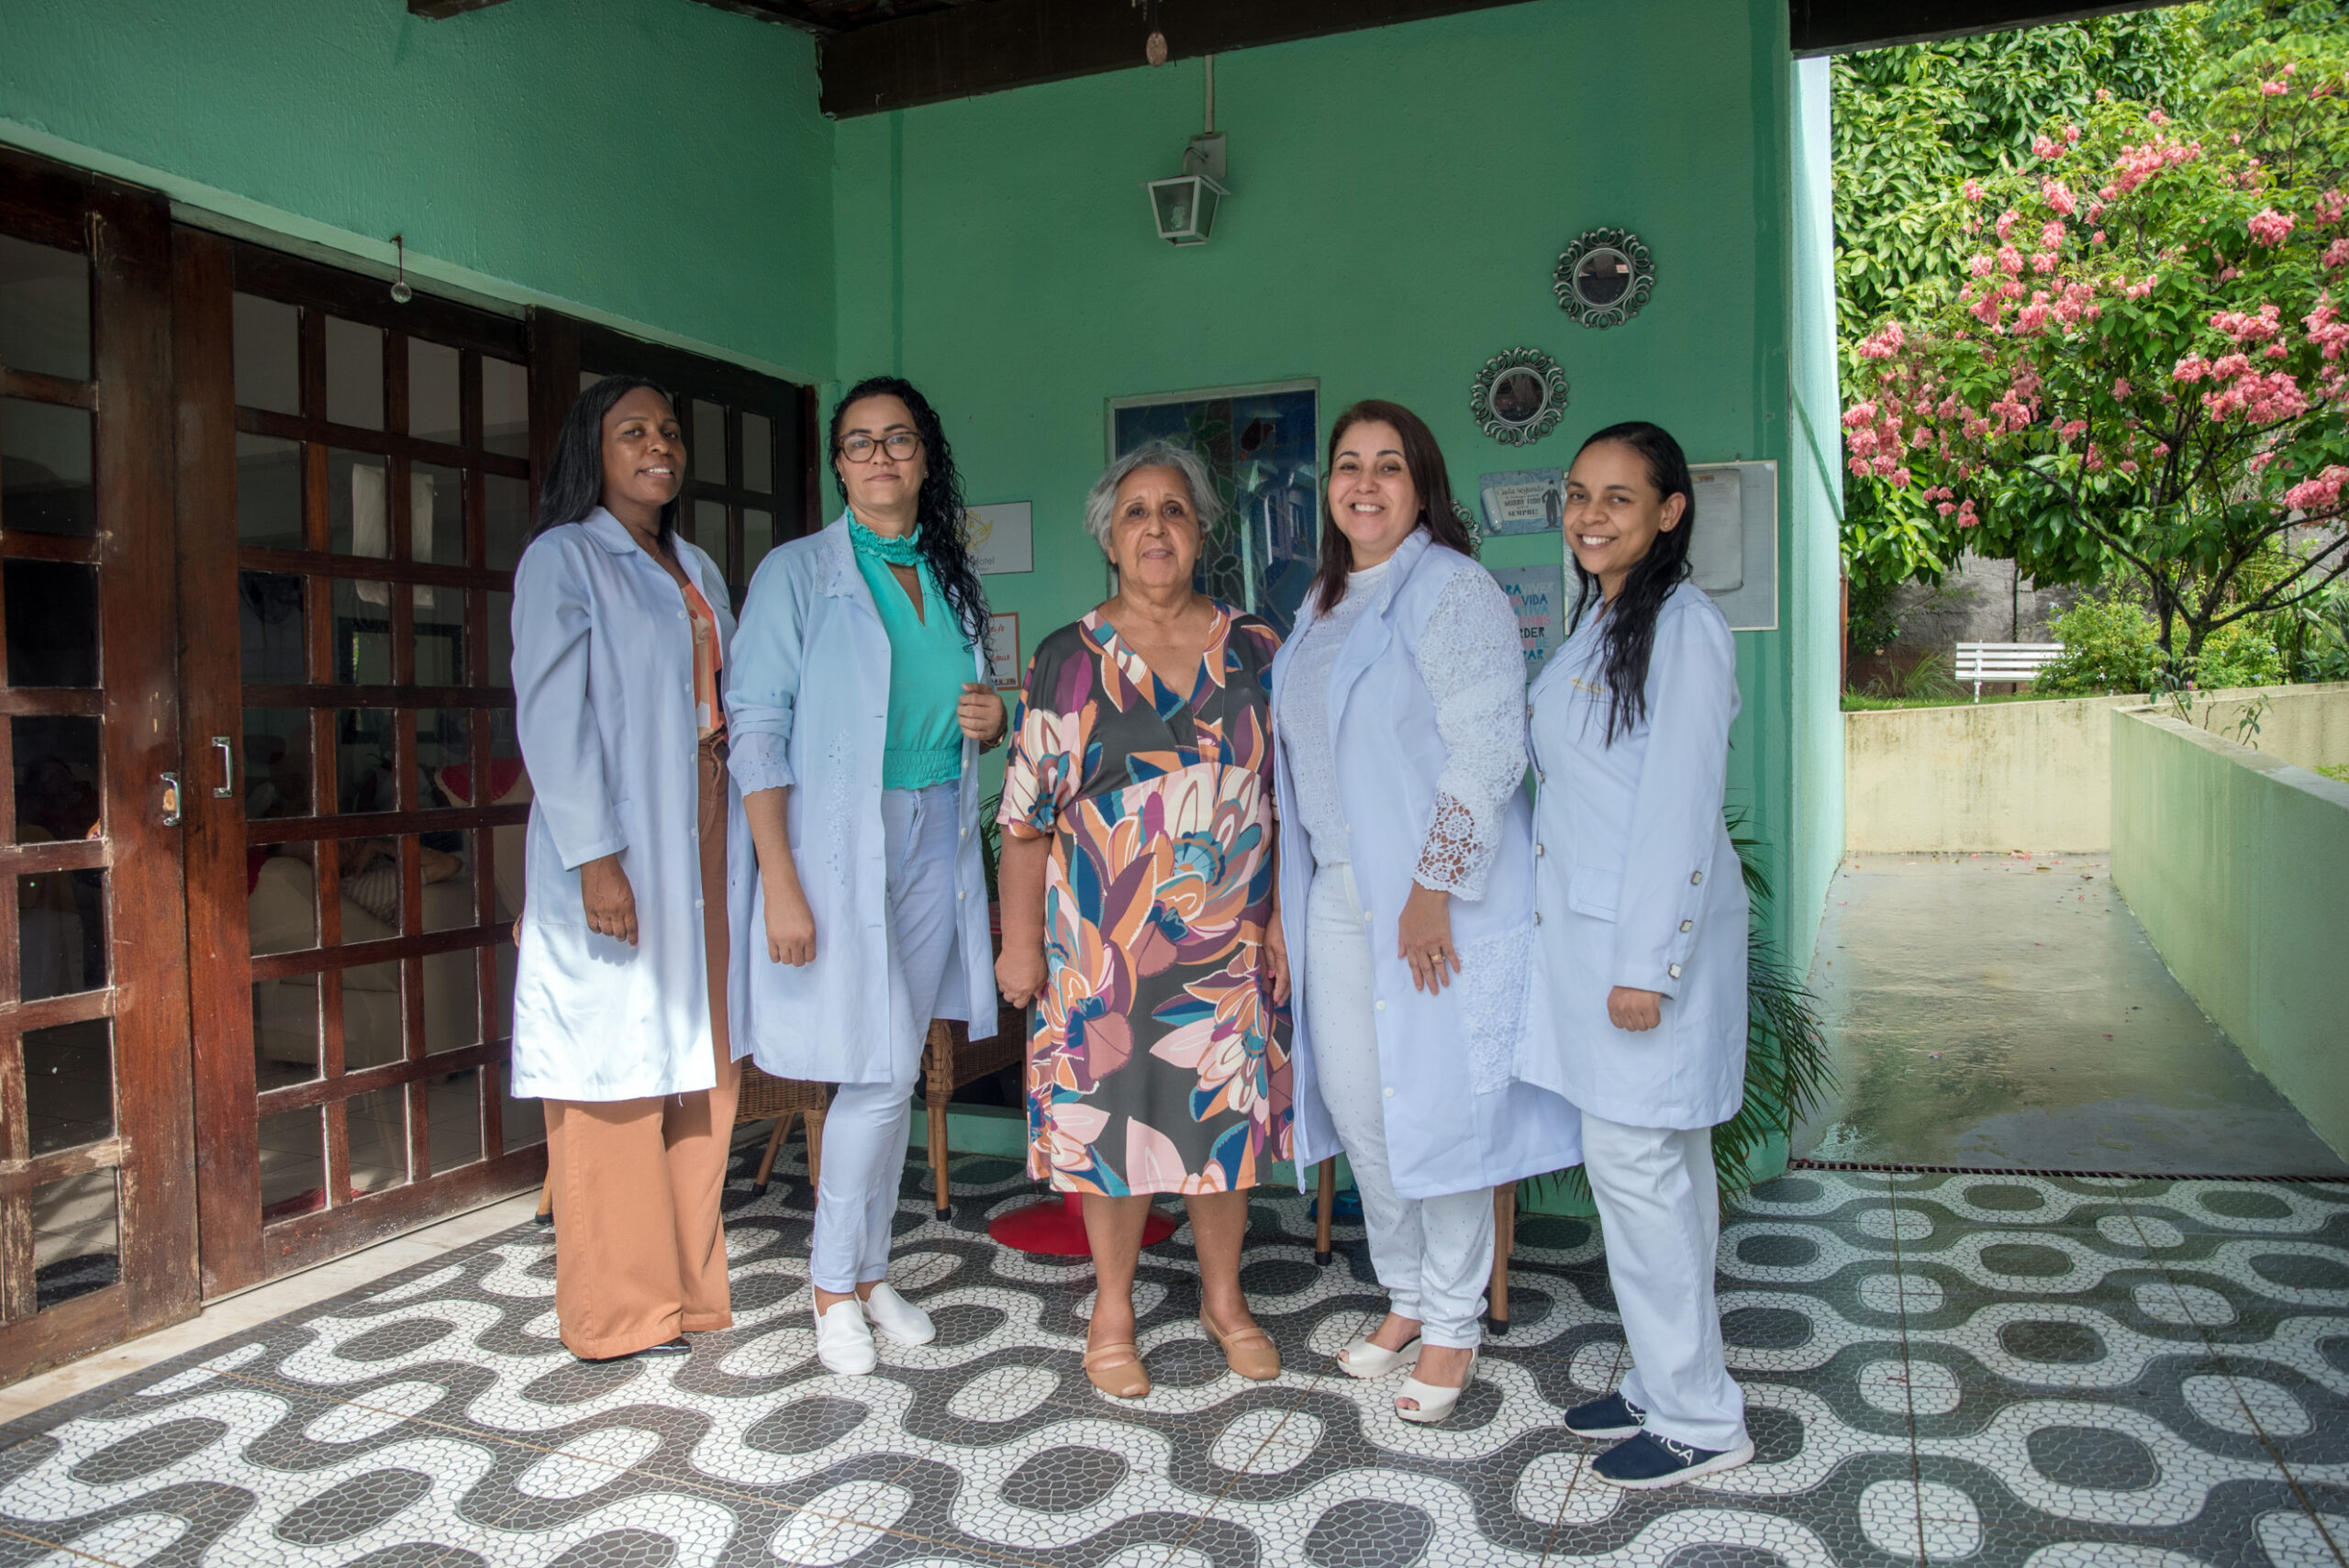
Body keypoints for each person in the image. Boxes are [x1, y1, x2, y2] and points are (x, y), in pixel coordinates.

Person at [1271, 401, 1580, 1424]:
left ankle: (1452, 1322)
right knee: (1366, 1111)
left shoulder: (1451, 589)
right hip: (1335, 893)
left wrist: (1431, 890)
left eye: (1388, 465)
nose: (1364, 482)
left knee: (1440, 1108)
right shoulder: (1321, 603)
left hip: (1428, 900)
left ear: (1421, 484)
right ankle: (1404, 1290)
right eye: (1347, 465)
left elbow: (1487, 750)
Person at [995, 441, 1290, 1401]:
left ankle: (1224, 1298)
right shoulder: (1066, 659)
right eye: (1135, 512)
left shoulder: (1258, 647)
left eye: (1173, 509)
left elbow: (1293, 803)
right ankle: (1113, 1309)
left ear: (1202, 529)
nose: (1155, 526)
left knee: (1221, 1124)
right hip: (1103, 948)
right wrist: (1021, 943)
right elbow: (1027, 821)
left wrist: (1279, 918)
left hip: (1227, 942)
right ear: (1109, 538)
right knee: (1110, 1129)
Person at [727, 377, 1006, 1376]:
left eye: (898, 440)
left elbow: (960, 691)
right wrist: (781, 879)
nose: (880, 456)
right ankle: (832, 1285)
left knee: (891, 1062)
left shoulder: (943, 567)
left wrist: (994, 719)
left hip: (935, 825)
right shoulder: (797, 574)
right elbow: (754, 730)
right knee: (881, 1070)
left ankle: (872, 1268)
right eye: (858, 443)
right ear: (838, 465)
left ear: (925, 457)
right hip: (841, 841)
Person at [1523, 421, 1753, 1488]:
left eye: (1619, 497)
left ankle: (1701, 1416)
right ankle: (1669, 1382)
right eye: (1579, 493)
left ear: (1669, 511)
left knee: (1640, 1170)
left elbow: (1678, 810)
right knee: (1665, 1171)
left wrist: (1645, 967)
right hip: (1590, 944)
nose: (1590, 514)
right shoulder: (1604, 620)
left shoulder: (1685, 629)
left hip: (1638, 956)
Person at [509, 376, 751, 1363]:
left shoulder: (692, 564)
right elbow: (552, 718)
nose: (658, 444)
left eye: (667, 428)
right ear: (592, 450)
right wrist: (596, 859)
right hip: (616, 836)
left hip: (702, 822)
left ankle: (691, 1294)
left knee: (702, 1061)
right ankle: (619, 1311)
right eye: (632, 431)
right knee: (610, 1074)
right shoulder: (564, 558)